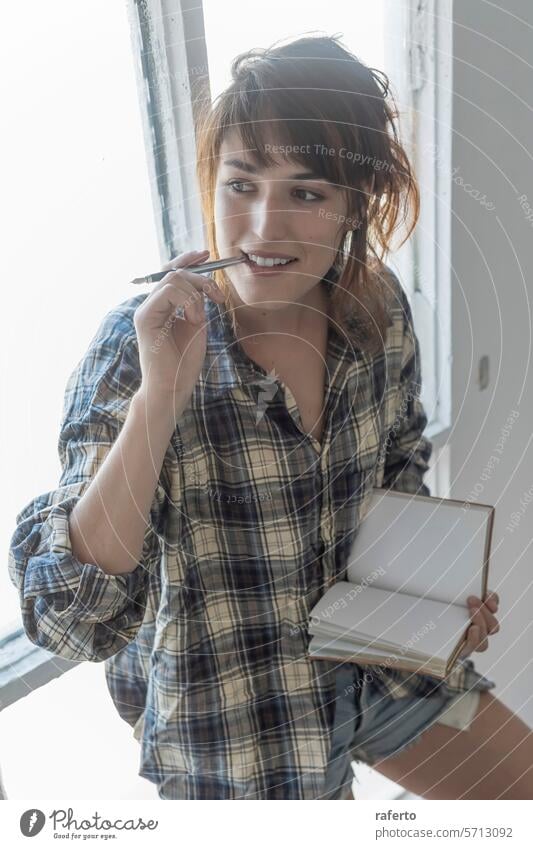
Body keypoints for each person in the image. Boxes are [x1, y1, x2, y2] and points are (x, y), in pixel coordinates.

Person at [8, 34, 531, 801]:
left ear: (358, 201)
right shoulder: (138, 343)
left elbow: (397, 473)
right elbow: (71, 618)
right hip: (243, 737)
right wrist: (161, 394)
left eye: (307, 193)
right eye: (241, 184)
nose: (262, 228)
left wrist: (438, 599)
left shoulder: (376, 311)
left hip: (382, 670)